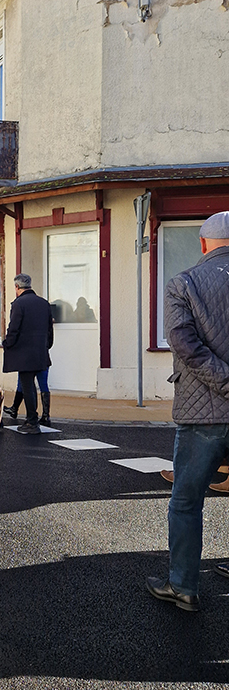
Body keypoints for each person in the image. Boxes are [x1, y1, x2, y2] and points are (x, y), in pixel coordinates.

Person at [147, 211, 229, 611]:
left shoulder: (184, 283)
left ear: (203, 244)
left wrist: (224, 380)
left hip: (202, 413)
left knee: (186, 500)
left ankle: (183, 586)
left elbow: (183, 343)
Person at [2, 273, 54, 435]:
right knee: (34, 386)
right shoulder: (44, 303)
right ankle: (35, 418)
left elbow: (14, 328)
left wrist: (7, 343)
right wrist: (46, 346)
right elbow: (49, 329)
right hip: (40, 352)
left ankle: (32, 421)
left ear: (17, 287)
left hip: (24, 354)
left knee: (28, 387)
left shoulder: (19, 303)